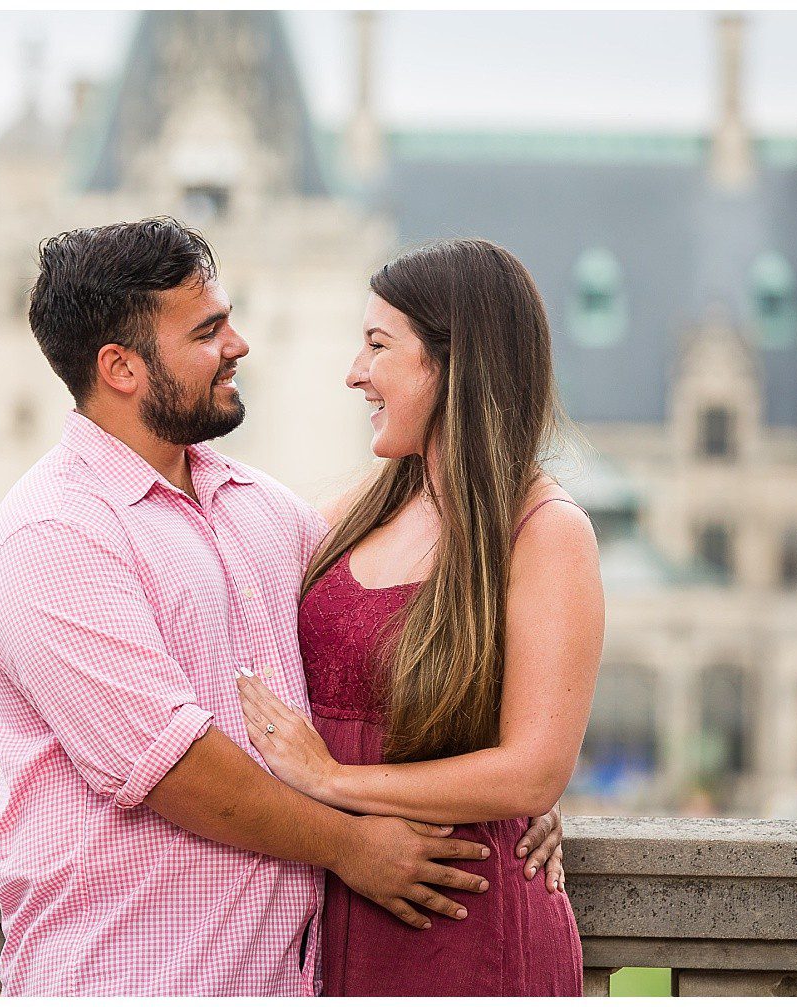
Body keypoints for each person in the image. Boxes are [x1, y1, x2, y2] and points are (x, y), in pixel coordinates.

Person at [0, 219, 564, 996]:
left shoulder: (263, 512)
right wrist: (354, 846)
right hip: (130, 977)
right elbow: (178, 768)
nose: (239, 343)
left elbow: (387, 654)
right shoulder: (54, 533)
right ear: (120, 367)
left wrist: (506, 794)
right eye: (208, 330)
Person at [236, 238, 603, 996]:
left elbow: (533, 768)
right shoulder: (345, 516)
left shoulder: (546, 531)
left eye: (377, 345)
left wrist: (337, 780)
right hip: (333, 900)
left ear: (452, 362)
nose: (354, 373)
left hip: (463, 918)